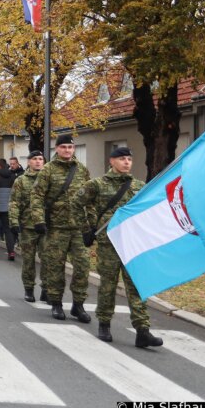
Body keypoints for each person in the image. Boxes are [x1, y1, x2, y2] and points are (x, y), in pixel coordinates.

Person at [78, 147, 162, 348]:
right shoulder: (97, 185)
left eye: (129, 159)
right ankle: (104, 324)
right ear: (112, 161)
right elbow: (76, 203)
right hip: (109, 244)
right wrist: (86, 228)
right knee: (108, 285)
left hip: (132, 244)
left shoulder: (139, 186)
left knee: (136, 286)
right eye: (122, 159)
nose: (126, 162)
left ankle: (143, 330)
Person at [29, 133, 92, 322]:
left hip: (78, 228)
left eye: (70, 147)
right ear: (57, 149)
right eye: (63, 147)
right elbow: (37, 196)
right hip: (56, 227)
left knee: (82, 267)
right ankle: (56, 303)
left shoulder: (82, 170)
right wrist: (39, 220)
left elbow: (90, 198)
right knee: (55, 267)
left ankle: (78, 305)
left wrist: (92, 225)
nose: (67, 150)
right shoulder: (48, 170)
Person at [8, 150, 48, 303]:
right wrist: (14, 222)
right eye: (35, 159)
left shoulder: (48, 179)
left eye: (40, 159)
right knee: (29, 260)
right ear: (29, 162)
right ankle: (29, 288)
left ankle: (46, 288)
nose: (38, 161)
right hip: (27, 226)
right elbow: (14, 202)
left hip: (45, 226)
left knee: (48, 260)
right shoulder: (21, 181)